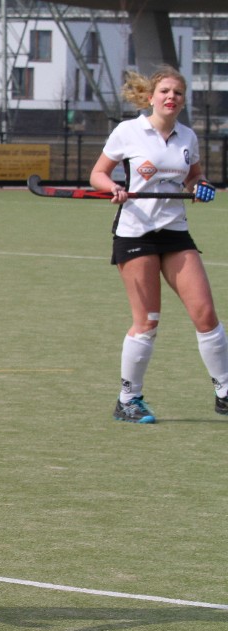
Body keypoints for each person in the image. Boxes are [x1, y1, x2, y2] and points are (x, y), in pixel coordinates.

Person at [88, 66, 225, 423]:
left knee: (206, 315)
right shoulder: (128, 131)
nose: (171, 97)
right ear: (151, 97)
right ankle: (128, 400)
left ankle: (224, 392)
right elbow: (98, 173)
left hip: (175, 232)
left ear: (182, 100)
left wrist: (200, 186)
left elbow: (195, 176)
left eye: (177, 93)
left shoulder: (187, 137)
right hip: (135, 233)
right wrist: (113, 188)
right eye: (164, 91)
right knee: (147, 321)